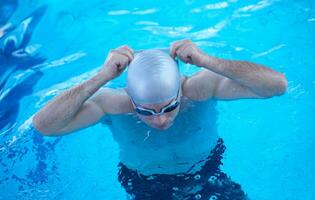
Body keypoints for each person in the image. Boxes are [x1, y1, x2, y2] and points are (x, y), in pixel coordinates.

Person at [33, 39, 287, 199]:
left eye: (170, 107)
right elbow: (45, 125)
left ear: (180, 89)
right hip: (146, 184)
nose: (161, 121)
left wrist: (206, 61)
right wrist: (101, 76)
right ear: (130, 98)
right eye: (145, 111)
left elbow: (277, 85)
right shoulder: (111, 104)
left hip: (207, 170)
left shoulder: (199, 89)